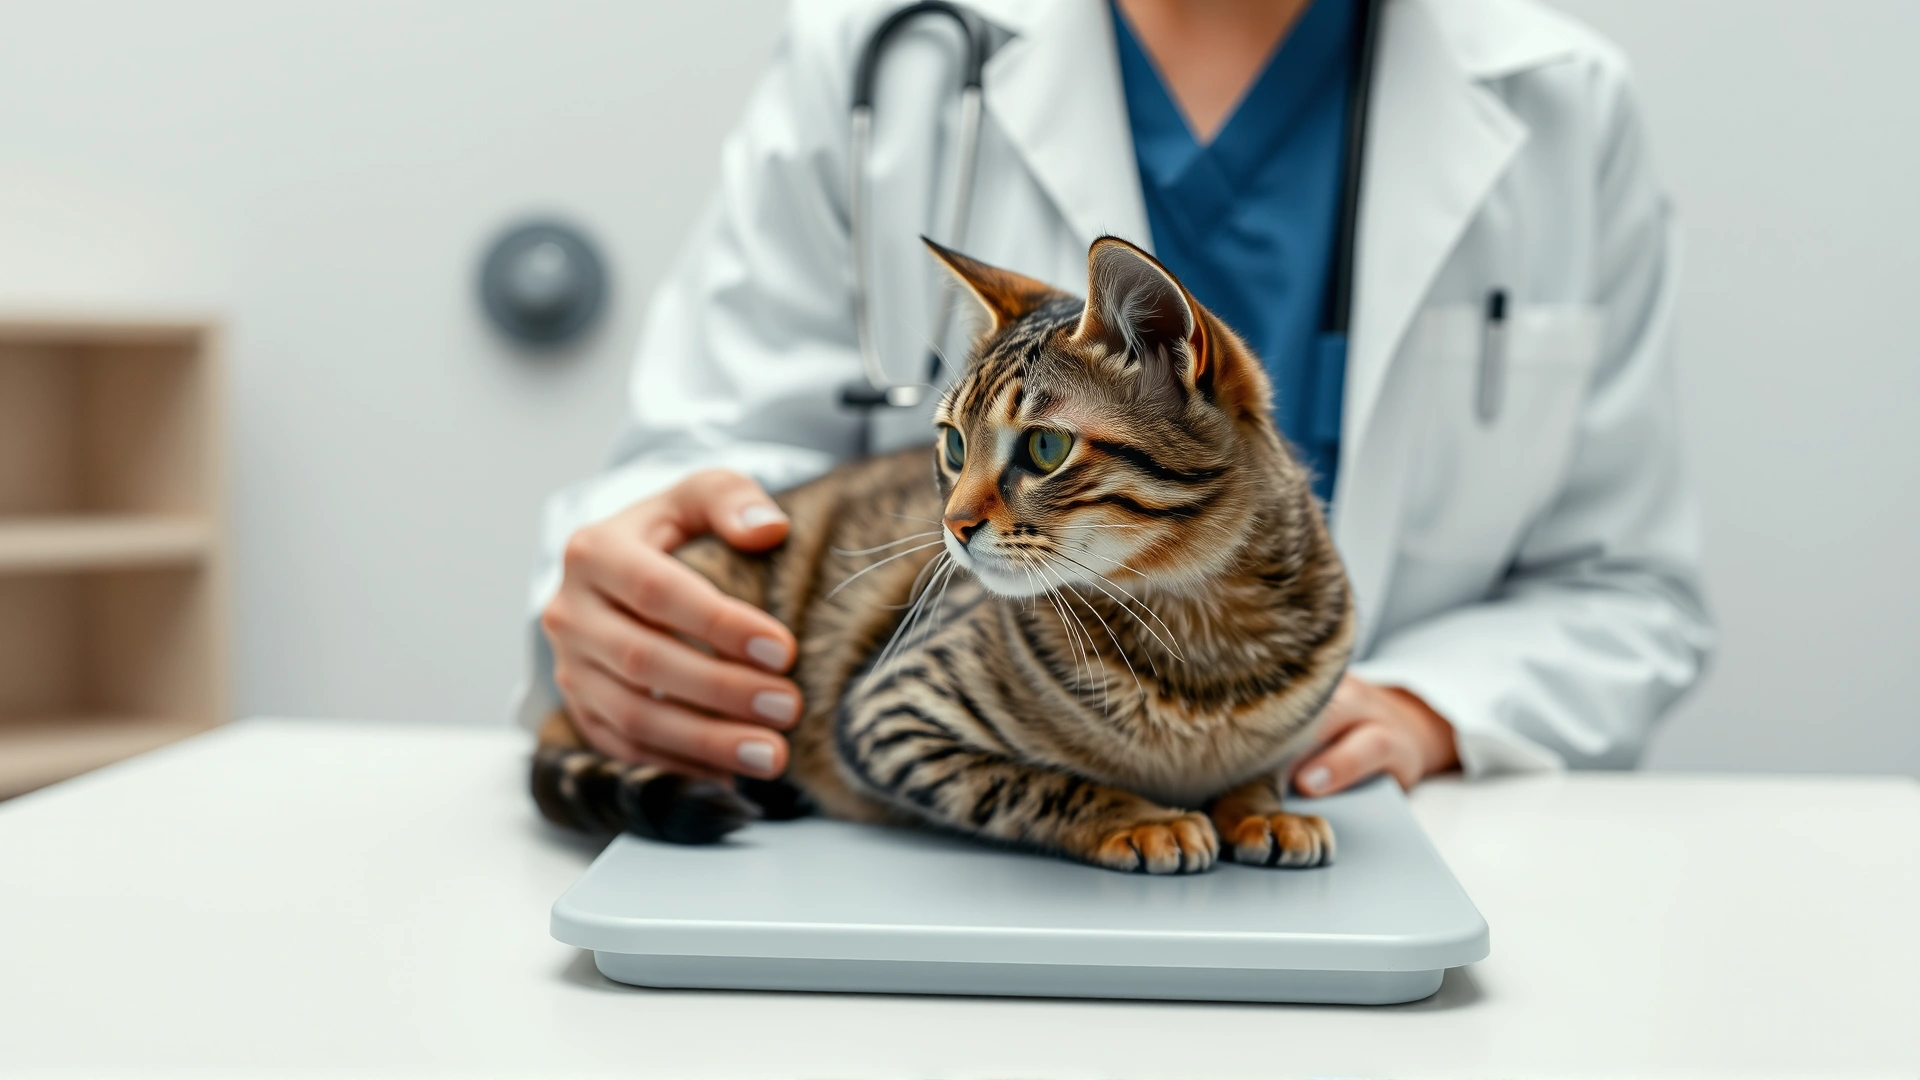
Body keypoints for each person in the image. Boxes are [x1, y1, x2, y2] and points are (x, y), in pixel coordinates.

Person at [521, 0, 1713, 800]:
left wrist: (1426, 710)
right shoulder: (886, 55)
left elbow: (1625, 591)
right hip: (952, 841)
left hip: (1356, 835)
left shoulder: (1561, 100)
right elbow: (704, 463)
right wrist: (636, 597)